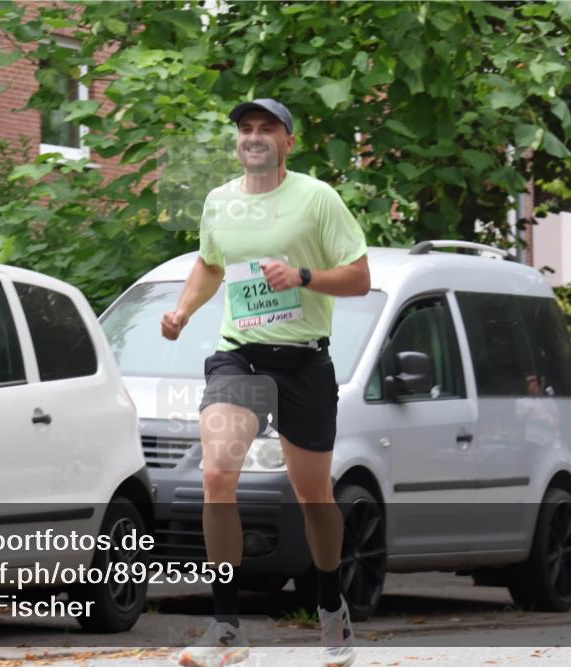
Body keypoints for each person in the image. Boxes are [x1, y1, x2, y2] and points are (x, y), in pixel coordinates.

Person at [162, 98, 371, 667]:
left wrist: (303, 275)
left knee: (314, 497)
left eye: (267, 129)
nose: (254, 137)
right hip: (241, 359)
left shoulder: (317, 199)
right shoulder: (220, 202)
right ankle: (226, 627)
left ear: (288, 141)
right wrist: (182, 311)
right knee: (216, 473)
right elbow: (209, 263)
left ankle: (331, 606)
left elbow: (358, 277)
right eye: (246, 129)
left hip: (303, 362)